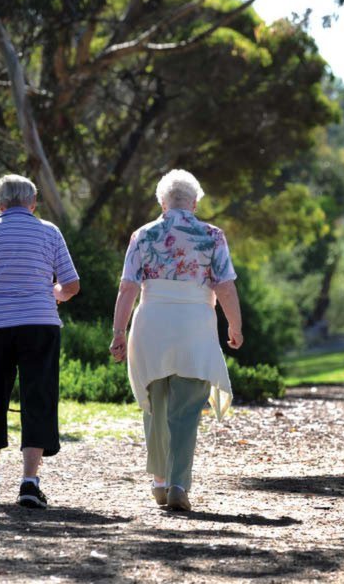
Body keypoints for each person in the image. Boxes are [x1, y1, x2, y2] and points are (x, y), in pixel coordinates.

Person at [109, 169, 243, 512]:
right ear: (195, 203)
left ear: (161, 202)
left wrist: (118, 333)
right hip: (194, 323)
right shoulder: (213, 235)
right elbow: (225, 286)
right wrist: (235, 326)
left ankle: (159, 481)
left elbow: (128, 287)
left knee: (155, 402)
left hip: (152, 321)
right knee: (185, 409)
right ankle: (179, 483)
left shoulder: (143, 235)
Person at [0, 174, 80, 508]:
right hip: (40, 326)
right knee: (38, 397)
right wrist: (52, 295)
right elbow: (71, 285)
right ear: (33, 203)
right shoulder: (50, 231)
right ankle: (29, 482)